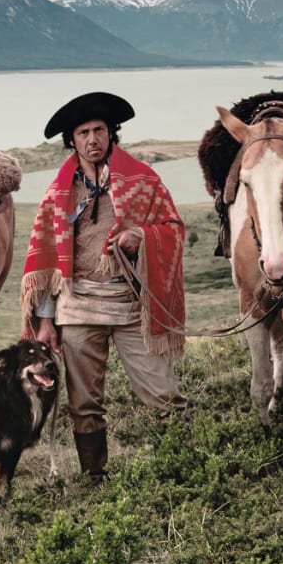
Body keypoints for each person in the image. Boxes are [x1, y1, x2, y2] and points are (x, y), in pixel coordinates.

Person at [21, 92, 187, 480]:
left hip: (130, 305)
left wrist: (140, 237)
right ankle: (95, 477)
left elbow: (172, 230)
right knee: (84, 404)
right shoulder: (58, 192)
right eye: (83, 133)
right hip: (77, 307)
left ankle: (181, 471)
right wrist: (45, 321)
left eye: (99, 130)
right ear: (72, 140)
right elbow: (45, 258)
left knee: (163, 395)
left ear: (112, 134)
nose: (92, 139)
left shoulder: (144, 180)